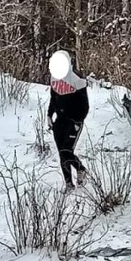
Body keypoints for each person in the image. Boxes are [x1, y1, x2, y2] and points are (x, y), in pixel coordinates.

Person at [47, 50, 89, 190]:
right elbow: (54, 98)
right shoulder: (53, 78)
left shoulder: (77, 80)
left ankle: (81, 169)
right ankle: (69, 184)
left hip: (73, 121)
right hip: (59, 121)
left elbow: (85, 106)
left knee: (66, 151)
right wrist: (49, 115)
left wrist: (78, 121)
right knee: (61, 154)